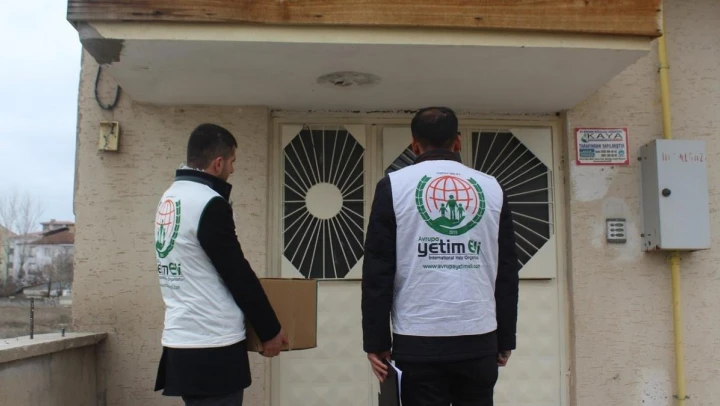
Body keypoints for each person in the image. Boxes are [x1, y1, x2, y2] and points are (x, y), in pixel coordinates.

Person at [361, 107, 520, 406]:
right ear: (457, 141)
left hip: (418, 342)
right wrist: (505, 337)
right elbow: (507, 268)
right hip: (479, 338)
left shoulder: (393, 186)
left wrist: (376, 341)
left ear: (414, 145)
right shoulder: (492, 187)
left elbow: (377, 271)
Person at [153, 123, 288, 405]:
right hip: (213, 345)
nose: (233, 169)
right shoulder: (208, 203)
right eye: (232, 161)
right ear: (218, 163)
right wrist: (270, 330)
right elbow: (236, 273)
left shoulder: (171, 197)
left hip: (182, 340)